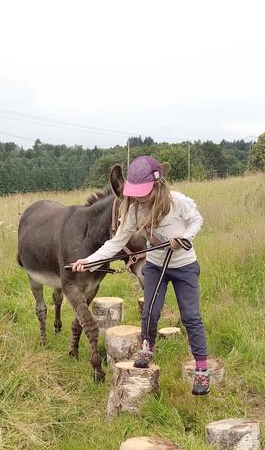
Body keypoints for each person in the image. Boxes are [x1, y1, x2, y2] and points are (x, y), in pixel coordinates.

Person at [72, 155, 211, 395]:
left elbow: (196, 220)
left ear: (157, 185)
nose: (139, 197)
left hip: (184, 266)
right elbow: (116, 243)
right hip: (156, 266)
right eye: (135, 192)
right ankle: (147, 349)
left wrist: (186, 238)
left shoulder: (178, 202)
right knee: (149, 311)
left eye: (143, 192)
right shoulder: (134, 211)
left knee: (190, 316)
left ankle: (201, 369)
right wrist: (90, 261)